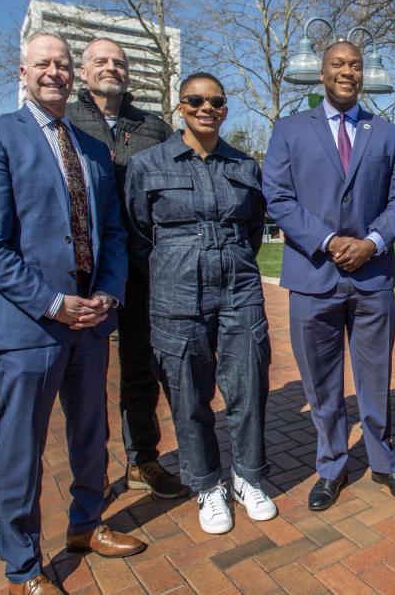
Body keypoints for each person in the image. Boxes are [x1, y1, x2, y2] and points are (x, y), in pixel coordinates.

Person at [0, 31, 146, 595]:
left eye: (63, 64)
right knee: (23, 450)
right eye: (43, 63)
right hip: (30, 327)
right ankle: (22, 568)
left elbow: (112, 232)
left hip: (91, 323)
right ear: (23, 72)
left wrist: (108, 294)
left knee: (91, 436)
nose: (54, 72)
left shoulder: (90, 148)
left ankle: (86, 526)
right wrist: (52, 303)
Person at [263, 42, 395, 511]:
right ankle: (331, 465)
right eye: (338, 64)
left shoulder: (388, 134)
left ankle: (384, 461)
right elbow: (277, 197)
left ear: (362, 75)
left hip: (373, 277)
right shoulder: (289, 130)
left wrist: (372, 241)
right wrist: (329, 241)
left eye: (354, 65)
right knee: (321, 381)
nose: (347, 71)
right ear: (323, 74)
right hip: (314, 274)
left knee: (376, 377)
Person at [125, 72, 275, 535]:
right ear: (180, 107)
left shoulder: (244, 166)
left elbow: (253, 230)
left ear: (225, 108)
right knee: (189, 394)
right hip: (175, 289)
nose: (206, 108)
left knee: (248, 386)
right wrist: (175, 267)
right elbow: (137, 232)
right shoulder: (149, 164)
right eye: (195, 101)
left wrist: (229, 259)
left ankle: (247, 477)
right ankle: (207, 484)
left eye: (216, 101)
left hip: (239, 287)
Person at [67, 37, 185, 500]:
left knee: (139, 367)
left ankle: (143, 460)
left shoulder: (152, 128)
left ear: (129, 73)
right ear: (83, 71)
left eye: (119, 62)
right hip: (83, 271)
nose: (110, 68)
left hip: (140, 270)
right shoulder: (67, 121)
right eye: (100, 61)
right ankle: (90, 475)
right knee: (84, 377)